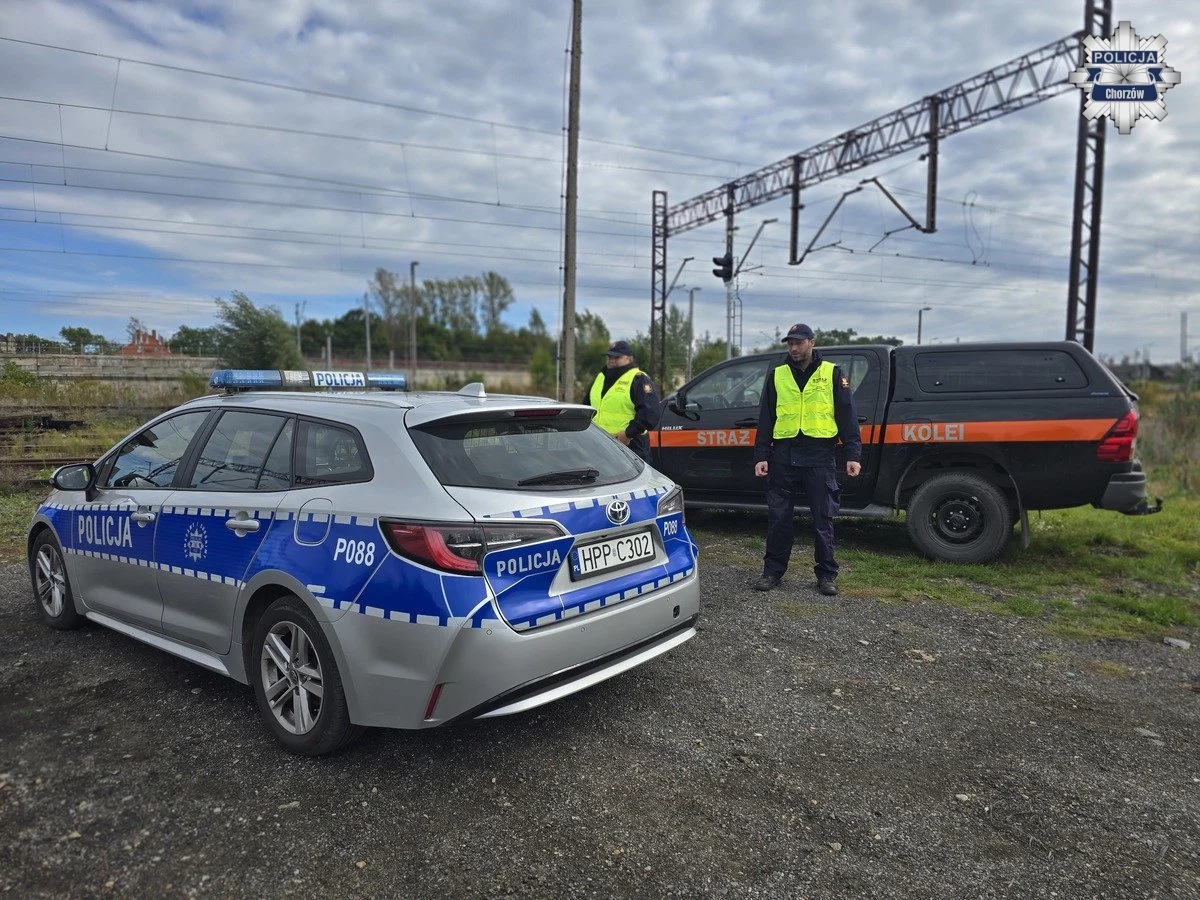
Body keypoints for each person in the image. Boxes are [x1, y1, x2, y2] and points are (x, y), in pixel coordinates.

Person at [752, 323, 861, 596]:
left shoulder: (832, 373)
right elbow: (766, 418)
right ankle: (773, 571)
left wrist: (852, 454)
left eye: (799, 342)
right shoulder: (777, 375)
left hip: (820, 456)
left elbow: (846, 415)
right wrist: (761, 455)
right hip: (784, 456)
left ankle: (826, 575)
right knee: (778, 518)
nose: (793, 347)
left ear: (812, 342)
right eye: (790, 343)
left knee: (823, 519)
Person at [588, 340, 660, 464]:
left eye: (617, 357)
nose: (612, 359)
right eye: (610, 356)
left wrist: (628, 434)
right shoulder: (601, 377)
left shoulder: (638, 378)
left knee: (631, 483)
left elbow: (650, 413)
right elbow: (588, 407)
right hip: (599, 444)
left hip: (629, 445)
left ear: (630, 359)